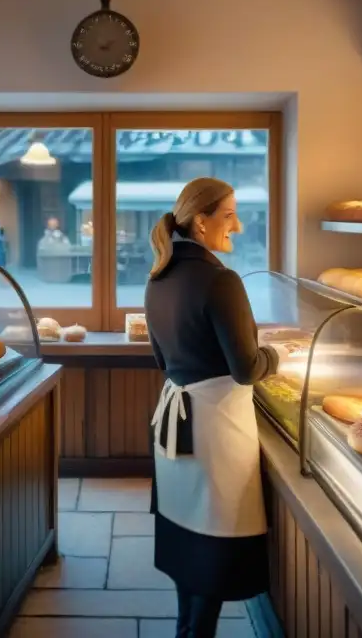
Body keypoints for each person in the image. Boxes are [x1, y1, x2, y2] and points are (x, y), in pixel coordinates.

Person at [144, 177, 285, 638]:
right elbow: (245, 369)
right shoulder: (221, 281)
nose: (238, 226)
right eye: (229, 214)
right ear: (201, 222)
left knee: (190, 541)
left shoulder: (158, 275)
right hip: (215, 428)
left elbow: (163, 361)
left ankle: (186, 630)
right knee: (213, 545)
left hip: (174, 420)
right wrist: (282, 355)